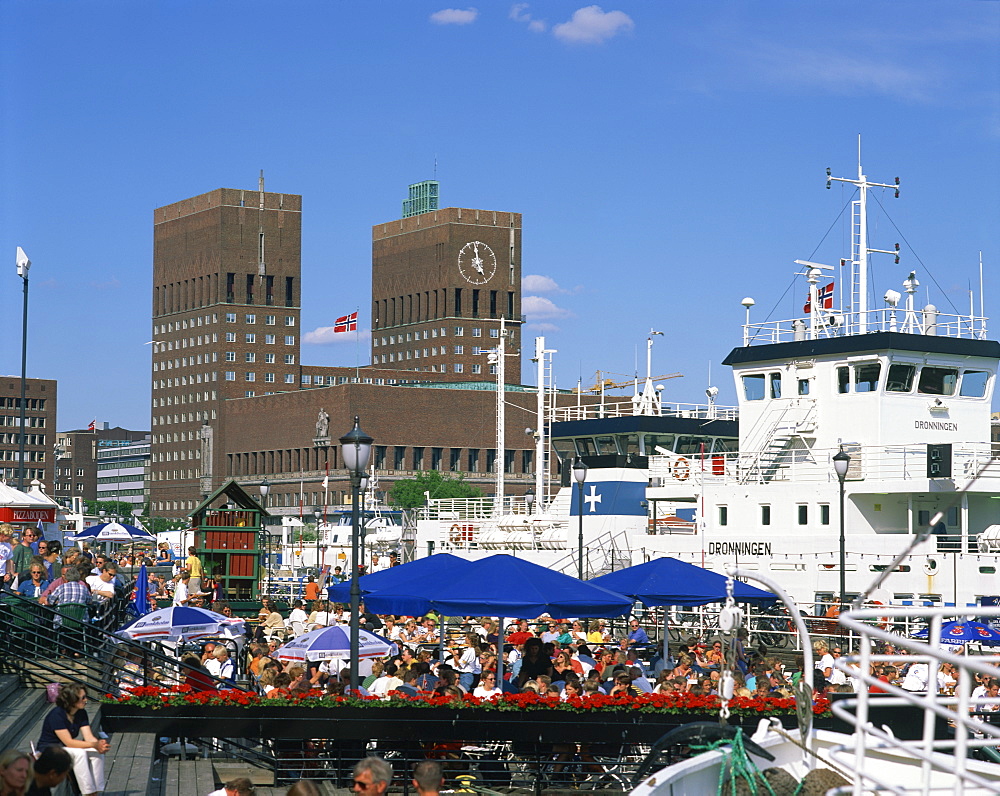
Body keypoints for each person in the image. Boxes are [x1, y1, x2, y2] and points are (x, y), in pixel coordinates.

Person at [37, 685, 109, 796]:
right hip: (50, 750)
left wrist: (99, 745)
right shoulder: (57, 715)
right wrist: (94, 744)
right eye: (83, 698)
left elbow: (89, 736)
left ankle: (96, 789)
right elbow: (69, 742)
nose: (86, 700)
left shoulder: (81, 713)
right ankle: (88, 792)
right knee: (80, 753)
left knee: (96, 752)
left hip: (66, 749)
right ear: (72, 700)